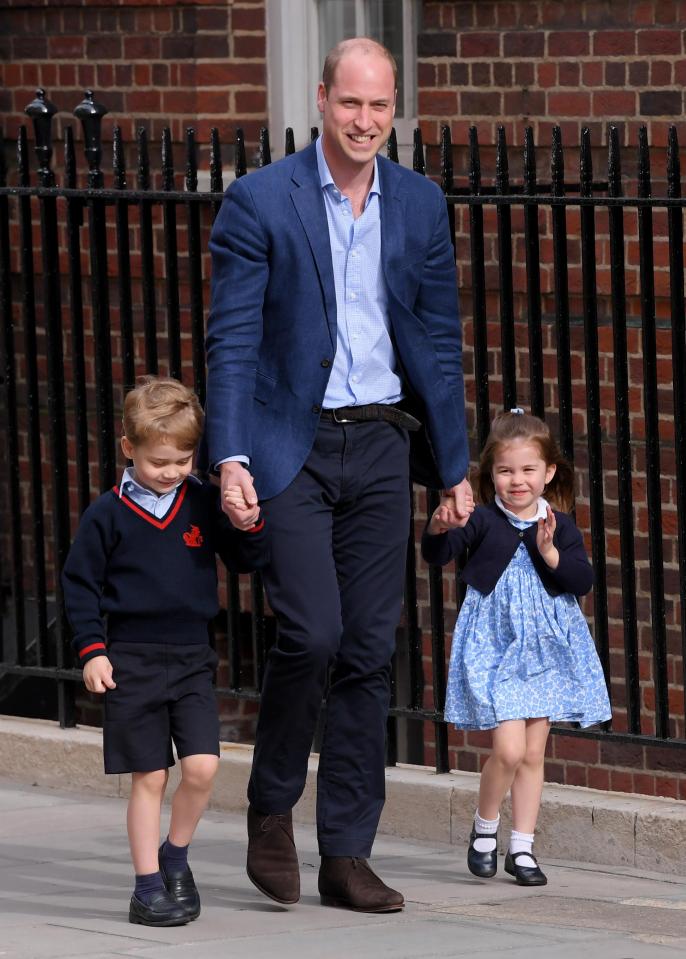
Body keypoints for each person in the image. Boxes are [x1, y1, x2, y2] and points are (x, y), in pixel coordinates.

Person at [205, 37, 472, 912]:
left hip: (384, 444)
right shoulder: (259, 202)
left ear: (397, 109)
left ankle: (347, 853)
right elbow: (233, 341)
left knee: (368, 648)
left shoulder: (421, 205)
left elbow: (436, 343)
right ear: (321, 98)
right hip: (295, 446)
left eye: (380, 107)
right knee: (312, 632)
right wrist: (231, 453)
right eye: (350, 104)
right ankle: (273, 807)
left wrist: (457, 468)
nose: (365, 123)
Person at [61, 376, 268, 927]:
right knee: (149, 776)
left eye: (183, 459)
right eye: (159, 461)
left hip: (192, 658)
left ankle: (175, 856)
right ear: (129, 449)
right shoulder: (107, 514)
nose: (173, 470)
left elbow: (246, 559)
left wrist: (247, 523)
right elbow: (79, 585)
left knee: (202, 768)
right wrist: (93, 651)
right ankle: (147, 886)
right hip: (130, 658)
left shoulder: (201, 499)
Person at [422, 409, 612, 887]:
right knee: (507, 750)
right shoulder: (484, 519)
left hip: (545, 649)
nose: (517, 480)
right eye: (506, 471)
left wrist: (550, 552)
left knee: (532, 753)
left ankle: (522, 848)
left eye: (528, 470)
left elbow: (581, 580)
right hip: (496, 644)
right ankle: (485, 829)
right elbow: (439, 554)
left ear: (548, 472)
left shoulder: (560, 524)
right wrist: (439, 528)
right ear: (491, 475)